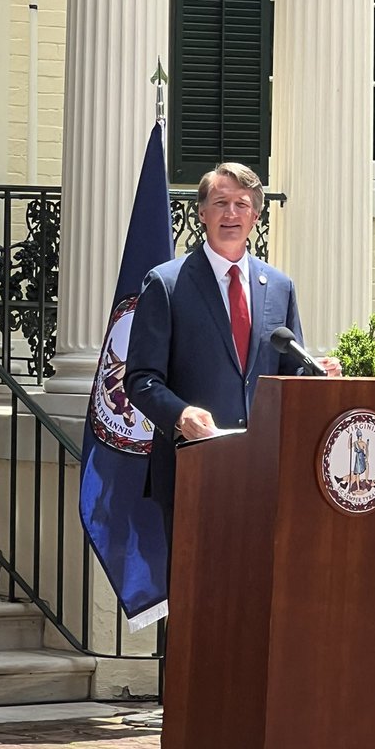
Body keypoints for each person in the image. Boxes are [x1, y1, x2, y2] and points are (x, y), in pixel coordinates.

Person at [125, 161, 341, 536]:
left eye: (241, 204)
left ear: (255, 216)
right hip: (193, 466)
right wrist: (181, 415)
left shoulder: (279, 286)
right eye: (220, 203)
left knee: (254, 591)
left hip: (263, 471)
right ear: (202, 213)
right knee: (198, 592)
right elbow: (140, 378)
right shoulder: (167, 283)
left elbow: (289, 372)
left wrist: (316, 373)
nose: (230, 213)